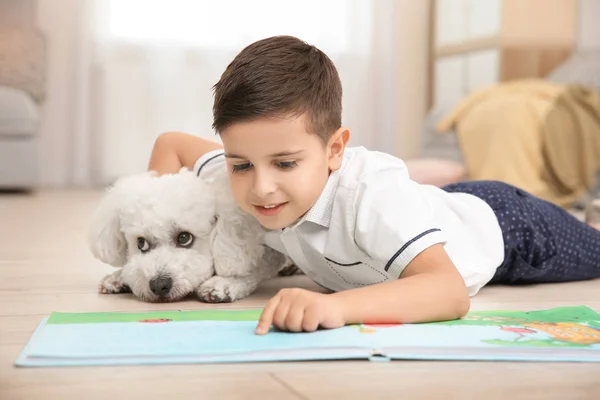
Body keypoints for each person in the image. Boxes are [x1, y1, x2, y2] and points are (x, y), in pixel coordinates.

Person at [148, 35, 600, 335]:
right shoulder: (239, 182)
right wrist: (156, 248)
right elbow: (171, 145)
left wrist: (336, 308)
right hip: (435, 209)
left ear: (334, 150)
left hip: (510, 227)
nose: (261, 188)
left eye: (285, 163)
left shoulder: (368, 198)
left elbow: (449, 292)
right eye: (241, 164)